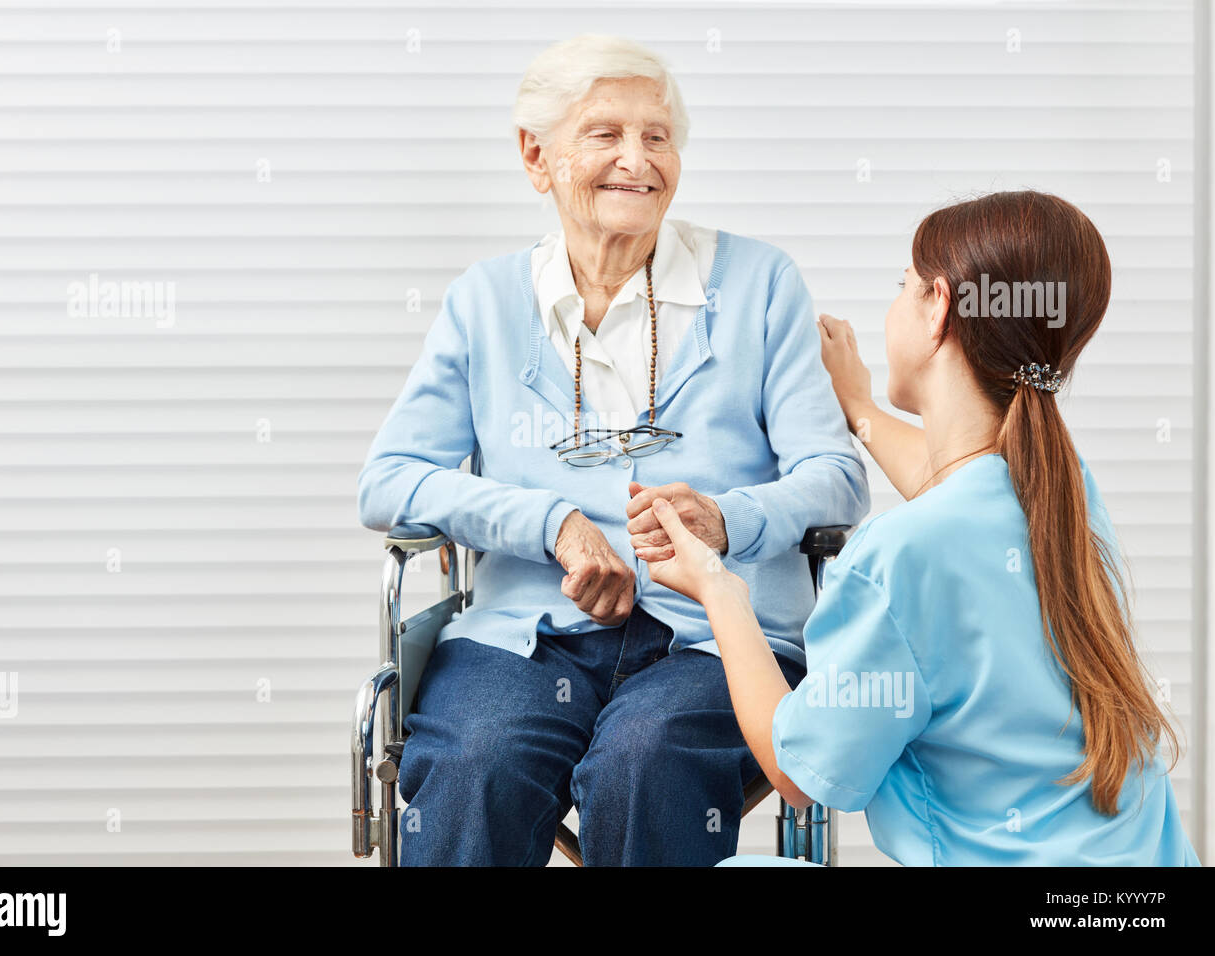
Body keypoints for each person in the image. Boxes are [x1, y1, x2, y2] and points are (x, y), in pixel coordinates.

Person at [356, 34, 868, 866]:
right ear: (537, 155)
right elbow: (387, 481)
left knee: (646, 760)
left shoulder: (761, 284)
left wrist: (728, 520)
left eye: (658, 136)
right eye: (605, 134)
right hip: (525, 636)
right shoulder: (485, 302)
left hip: (710, 639)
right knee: (477, 762)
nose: (639, 160)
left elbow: (836, 478)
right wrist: (550, 521)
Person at [637, 190, 1201, 866]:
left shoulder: (897, 557)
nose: (894, 305)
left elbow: (798, 771)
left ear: (938, 308)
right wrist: (859, 407)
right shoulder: (1062, 490)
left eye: (901, 287)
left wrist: (719, 588)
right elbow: (954, 485)